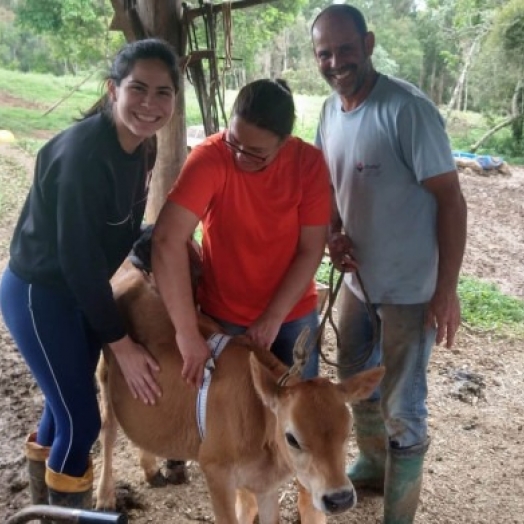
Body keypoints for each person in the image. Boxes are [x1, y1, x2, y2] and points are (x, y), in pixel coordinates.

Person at [0, 38, 179, 513]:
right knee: (81, 419)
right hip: (42, 293)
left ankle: (43, 503)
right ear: (112, 88)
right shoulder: (83, 155)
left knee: (62, 405)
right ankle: (59, 511)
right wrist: (122, 345)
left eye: (163, 92)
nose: (150, 104)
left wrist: (166, 236)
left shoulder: (144, 144)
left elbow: (115, 225)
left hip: (81, 288)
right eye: (137, 88)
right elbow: (78, 261)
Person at [311, 5, 467, 524]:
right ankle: (374, 465)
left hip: (410, 288)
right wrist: (334, 233)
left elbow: (451, 200)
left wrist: (446, 289)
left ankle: (399, 512)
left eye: (346, 49)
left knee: (404, 401)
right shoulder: (331, 110)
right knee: (355, 379)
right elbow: (332, 186)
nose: (336, 62)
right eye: (325, 53)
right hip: (358, 282)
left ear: (369, 43)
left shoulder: (406, 109)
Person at [152, 78, 331, 389]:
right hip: (225, 315)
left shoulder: (308, 164)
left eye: (257, 152)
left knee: (298, 414)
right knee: (231, 419)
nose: (240, 157)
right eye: (234, 141)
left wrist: (274, 316)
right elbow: (167, 239)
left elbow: (311, 248)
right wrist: (187, 331)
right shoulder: (210, 157)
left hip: (291, 311)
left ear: (284, 141)